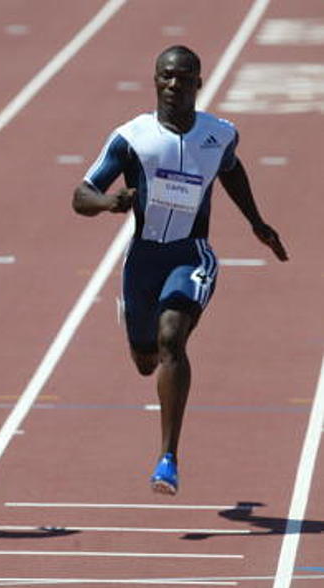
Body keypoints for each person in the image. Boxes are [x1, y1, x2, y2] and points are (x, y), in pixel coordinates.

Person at [73, 46, 287, 495]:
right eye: (167, 76)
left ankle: (167, 458)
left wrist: (257, 222)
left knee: (173, 337)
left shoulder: (220, 134)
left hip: (192, 254)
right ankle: (137, 323)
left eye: (184, 77)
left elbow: (231, 171)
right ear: (155, 80)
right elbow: (82, 193)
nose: (174, 85)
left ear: (199, 84)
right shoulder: (132, 138)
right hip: (143, 260)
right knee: (146, 360)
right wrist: (108, 203)